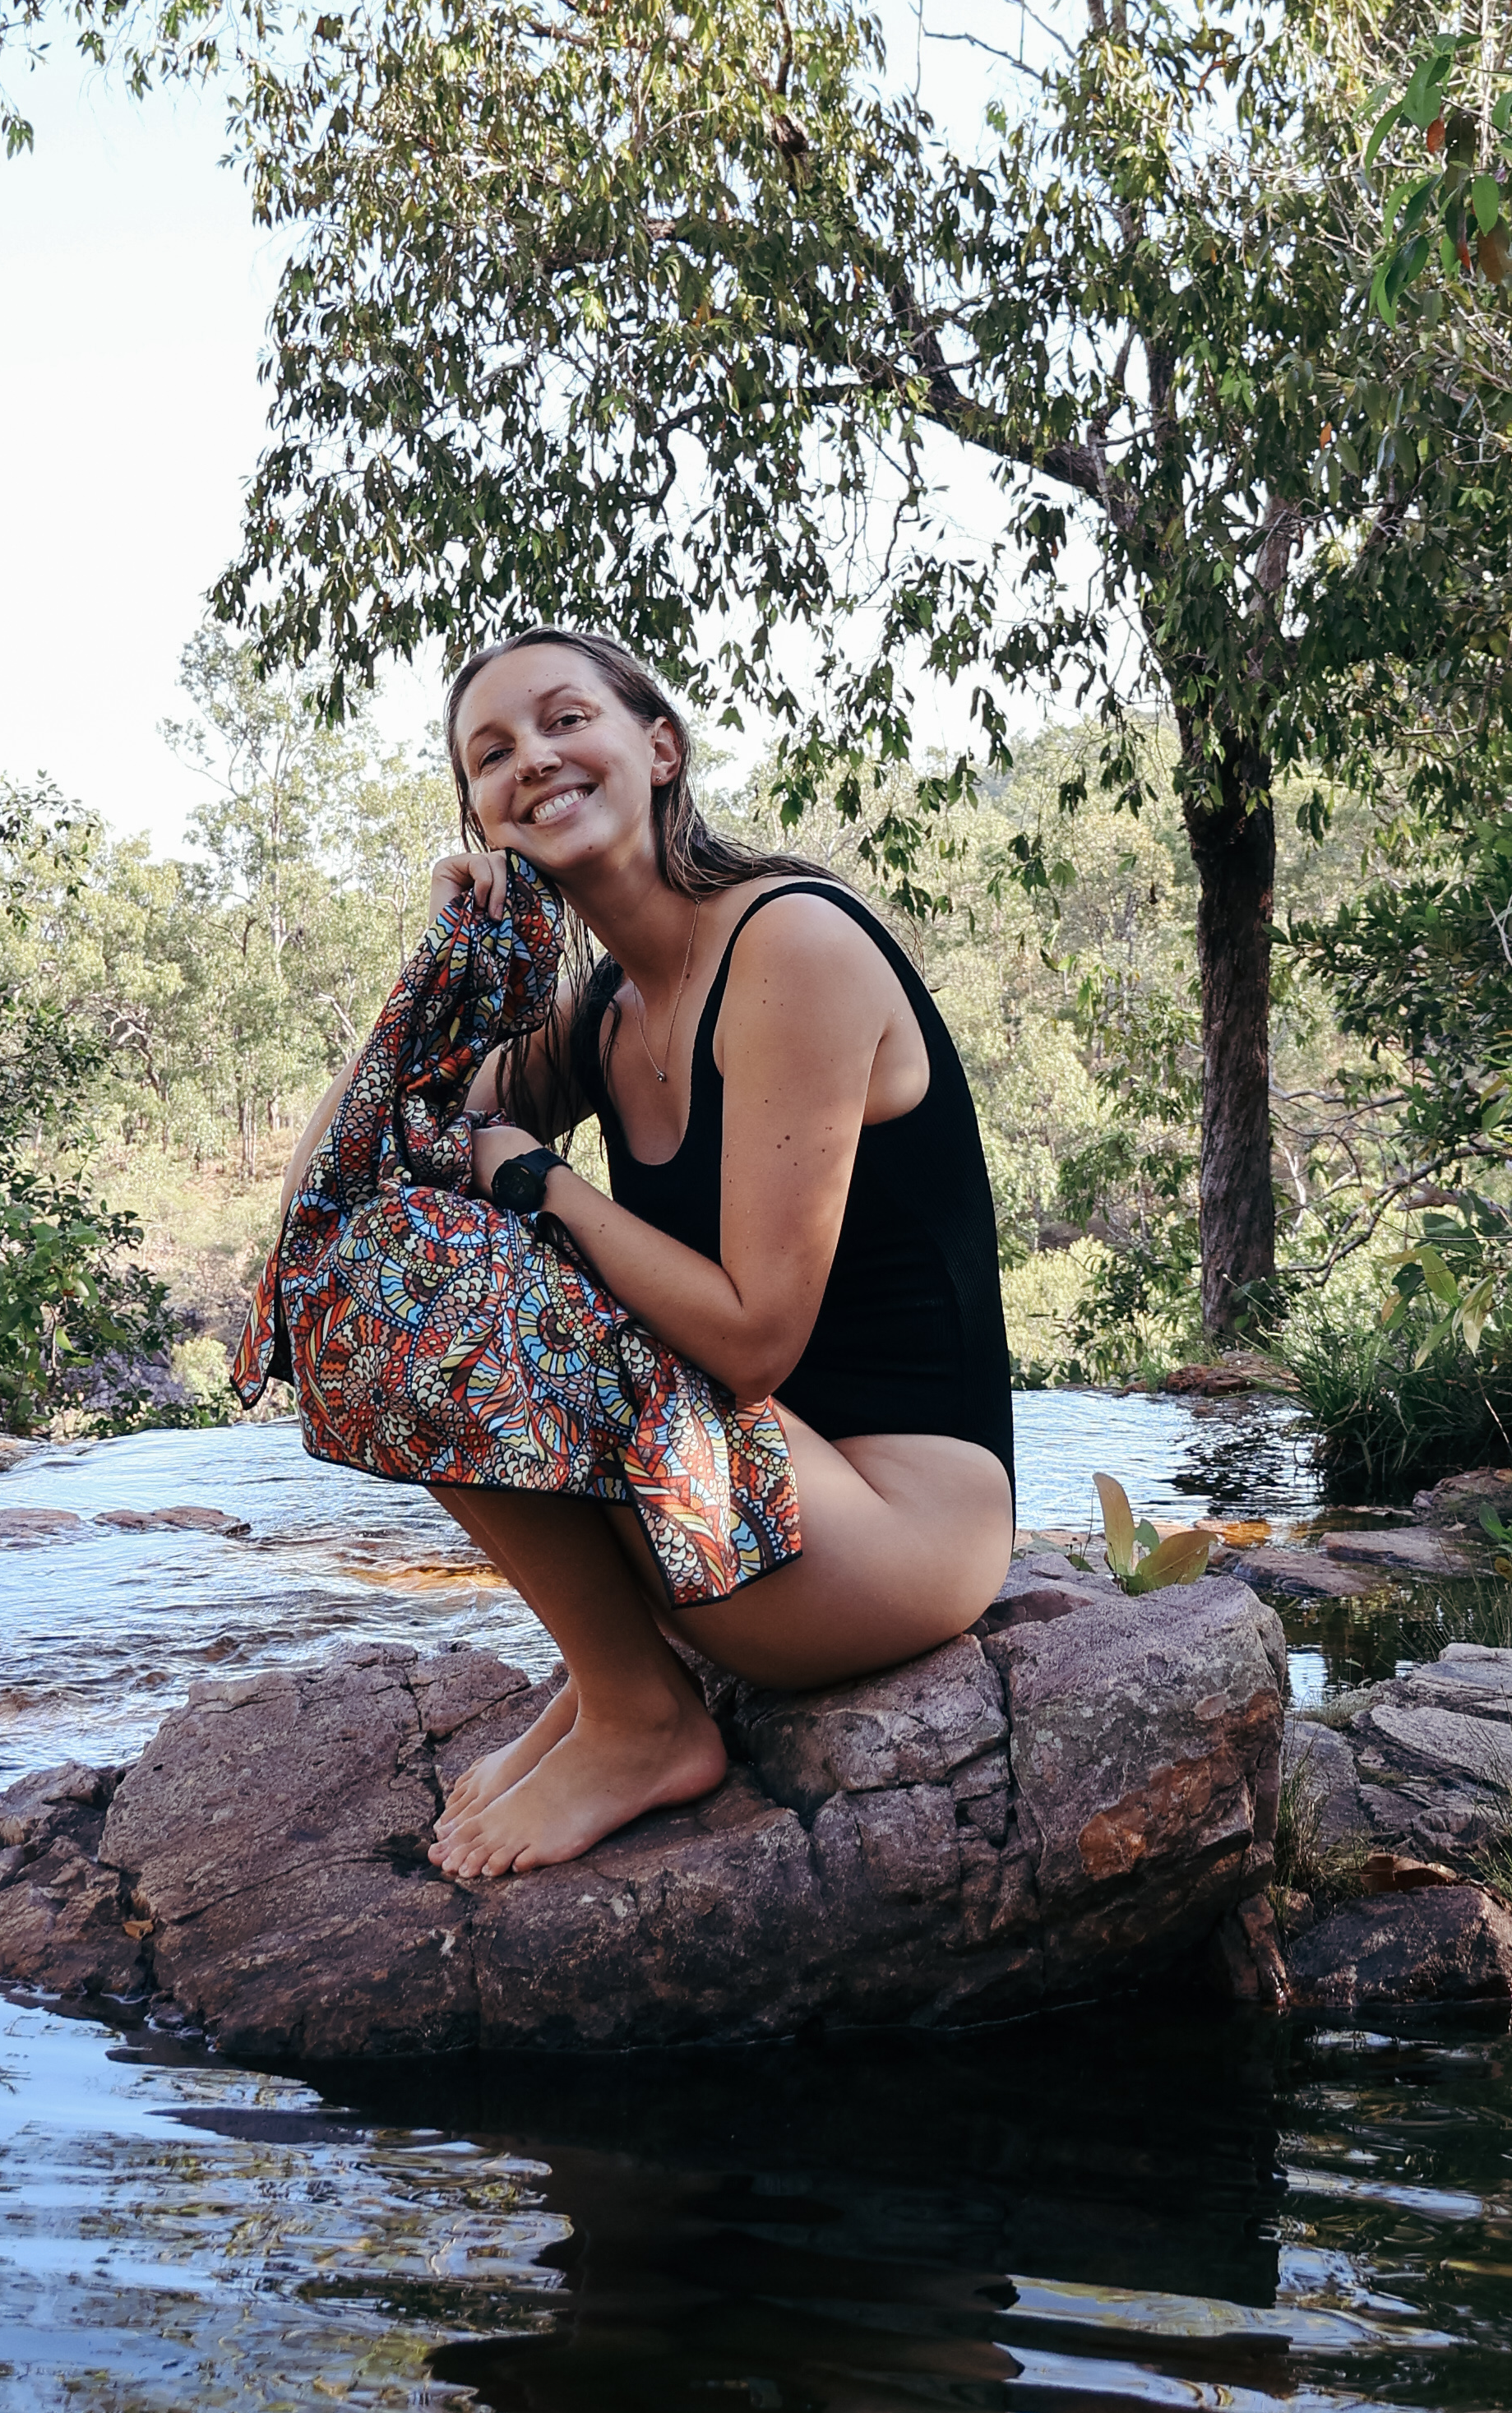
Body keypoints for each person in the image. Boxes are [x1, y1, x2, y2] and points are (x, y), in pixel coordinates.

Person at [272, 627, 1016, 1879]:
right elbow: (332, 1189)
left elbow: (752, 1340)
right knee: (374, 1252)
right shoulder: (605, 1013)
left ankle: (639, 1716)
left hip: (896, 1536)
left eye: (568, 720)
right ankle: (614, 1679)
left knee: (449, 1265)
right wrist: (443, 968)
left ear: (658, 747)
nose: (535, 761)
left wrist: (539, 1177)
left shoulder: (792, 945)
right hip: (746, 1509)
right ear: (482, 818)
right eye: (493, 754)